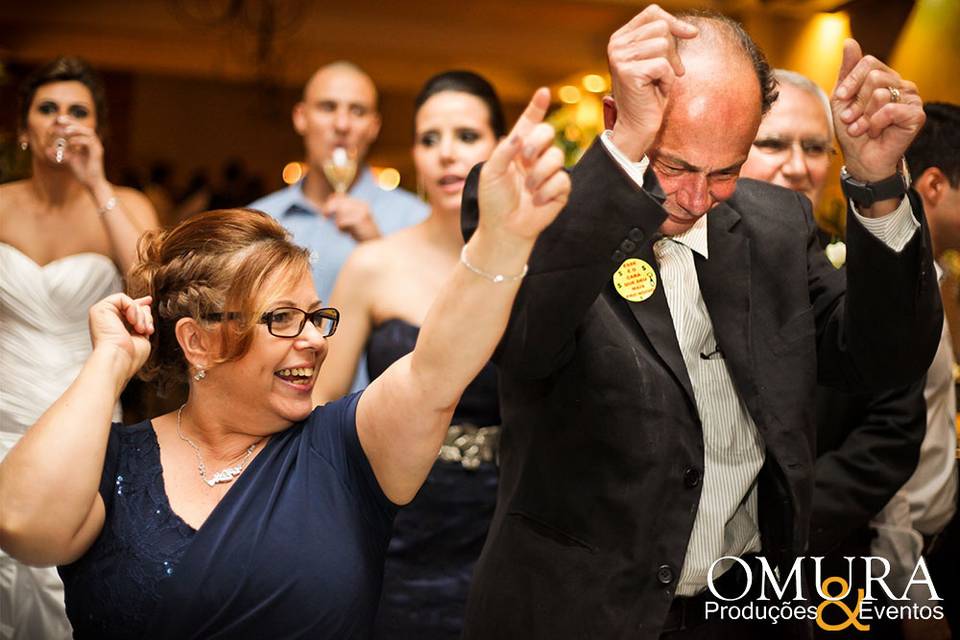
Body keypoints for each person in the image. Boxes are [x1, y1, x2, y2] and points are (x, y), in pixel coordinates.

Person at [0, 88, 569, 639]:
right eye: (281, 319)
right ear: (197, 343)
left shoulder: (348, 450)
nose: (315, 341)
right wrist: (109, 361)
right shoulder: (113, 459)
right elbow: (24, 527)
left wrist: (501, 242)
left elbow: (436, 368)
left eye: (317, 317)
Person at [459, 8, 941, 639]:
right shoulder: (528, 208)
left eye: (726, 172)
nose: (695, 199)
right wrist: (625, 158)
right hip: (577, 614)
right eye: (675, 167)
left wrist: (877, 185)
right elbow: (524, 343)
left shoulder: (777, 225)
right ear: (617, 120)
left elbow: (883, 357)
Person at [315, 70, 505, 638]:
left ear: (499, 146)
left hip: (507, 520)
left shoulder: (530, 267)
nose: (447, 154)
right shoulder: (374, 265)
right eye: (429, 139)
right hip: (397, 515)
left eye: (467, 136)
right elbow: (322, 401)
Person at [740, 68, 929, 639]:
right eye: (771, 143)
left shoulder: (862, 272)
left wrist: (775, 521)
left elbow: (892, 432)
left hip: (829, 577)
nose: (796, 166)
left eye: (815, 146)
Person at [0, 56, 158, 640]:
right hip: (3, 407)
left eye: (77, 111)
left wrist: (97, 184)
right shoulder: (1, 204)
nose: (61, 122)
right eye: (47, 109)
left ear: (98, 130)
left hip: (85, 410)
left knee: (65, 582)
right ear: (24, 127)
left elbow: (151, 288)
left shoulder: (125, 204)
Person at [249, 62, 428, 365]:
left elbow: (433, 323)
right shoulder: (258, 219)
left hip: (374, 402)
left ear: (374, 126)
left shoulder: (416, 218)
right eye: (328, 107)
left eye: (358, 111)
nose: (342, 124)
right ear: (301, 118)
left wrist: (376, 245)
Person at [869, 102, 960, 640]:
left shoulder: (931, 274)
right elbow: (882, 451)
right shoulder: (898, 292)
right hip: (899, 569)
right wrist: (913, 596)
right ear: (933, 184)